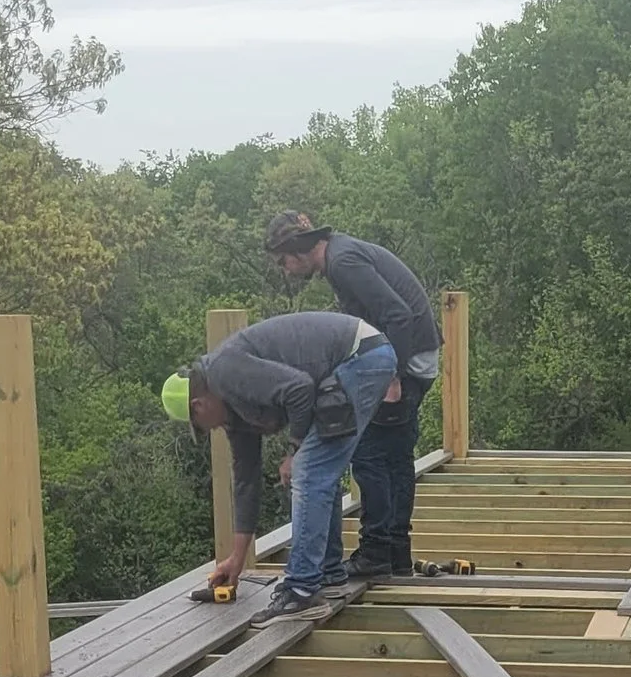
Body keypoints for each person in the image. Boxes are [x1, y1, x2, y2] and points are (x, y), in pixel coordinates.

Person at [161, 308, 401, 613]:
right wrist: (237, 559)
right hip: (361, 358)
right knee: (317, 472)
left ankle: (301, 589)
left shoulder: (225, 372)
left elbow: (299, 389)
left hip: (360, 357)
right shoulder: (235, 413)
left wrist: (294, 450)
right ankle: (328, 573)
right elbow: (246, 483)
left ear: (199, 405)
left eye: (200, 426)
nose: (210, 431)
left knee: (308, 471)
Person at [264, 212, 437, 579]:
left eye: (284, 262)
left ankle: (375, 552)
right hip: (418, 354)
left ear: (298, 249)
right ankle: (395, 555)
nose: (286, 270)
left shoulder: (342, 262)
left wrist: (393, 376)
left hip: (406, 359)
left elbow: (398, 315)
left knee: (368, 454)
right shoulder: (343, 255)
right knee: (395, 455)